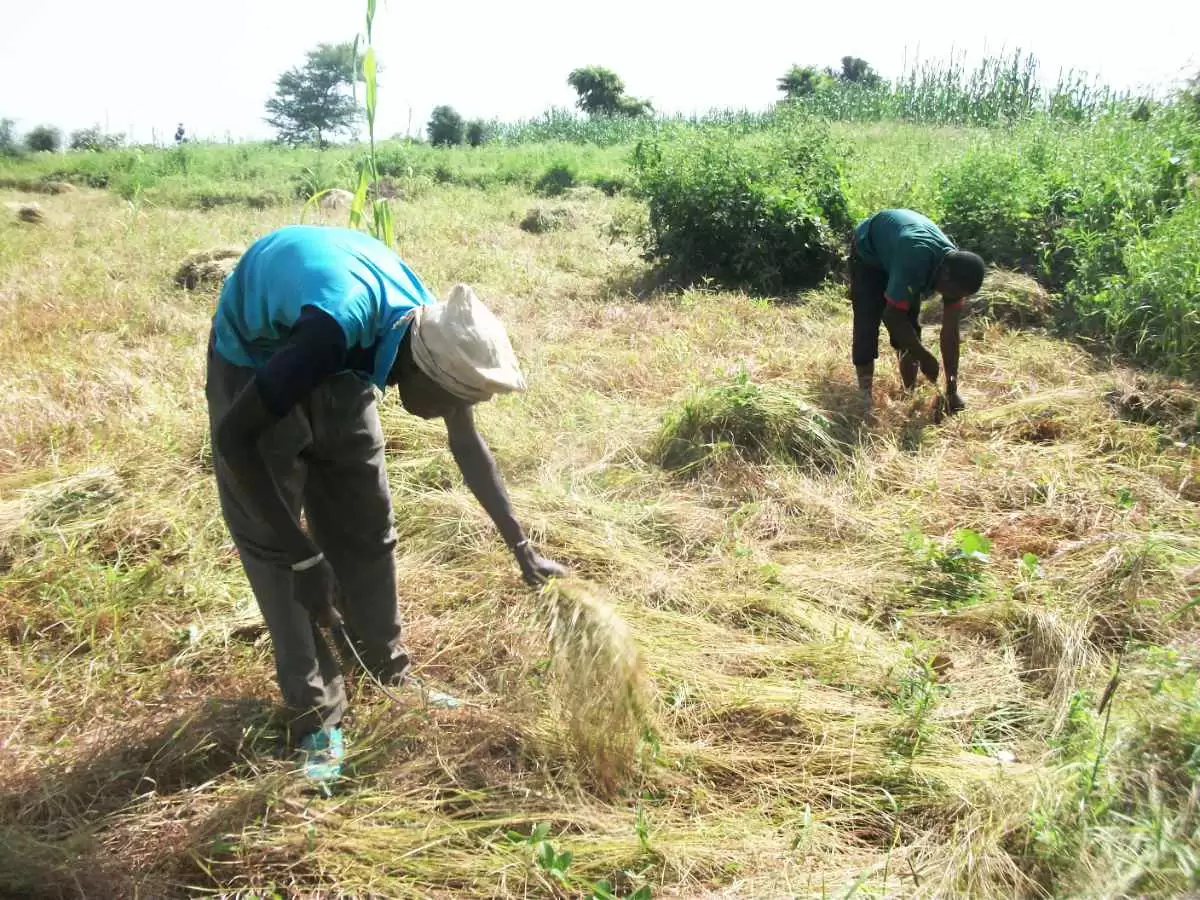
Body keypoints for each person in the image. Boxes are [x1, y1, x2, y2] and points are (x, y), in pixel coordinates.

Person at [206, 225, 567, 784]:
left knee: (366, 523)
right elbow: (236, 442)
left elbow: (466, 445)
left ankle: (386, 669)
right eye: (456, 399)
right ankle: (316, 718)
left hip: (334, 347)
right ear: (424, 371)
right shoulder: (336, 331)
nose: (457, 411)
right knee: (276, 547)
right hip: (260, 357)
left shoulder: (429, 333)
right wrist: (303, 555)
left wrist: (521, 546)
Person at [848, 208, 985, 420]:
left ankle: (908, 393)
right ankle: (864, 398)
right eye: (954, 294)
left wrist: (952, 388)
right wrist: (924, 356)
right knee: (867, 322)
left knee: (910, 327)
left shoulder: (954, 271)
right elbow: (892, 316)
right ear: (945, 275)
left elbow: (950, 332)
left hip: (899, 253)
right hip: (870, 256)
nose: (952, 299)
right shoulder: (915, 258)